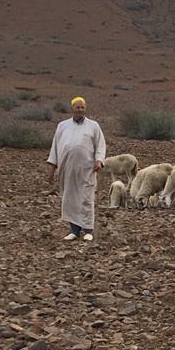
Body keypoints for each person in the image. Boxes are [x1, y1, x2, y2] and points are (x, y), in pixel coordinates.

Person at [47, 96, 106, 241]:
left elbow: (100, 145)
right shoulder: (62, 126)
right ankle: (73, 230)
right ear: (72, 109)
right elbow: (55, 148)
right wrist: (51, 170)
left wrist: (99, 161)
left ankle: (88, 231)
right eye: (77, 107)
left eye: (82, 107)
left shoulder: (93, 126)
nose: (80, 110)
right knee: (70, 199)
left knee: (86, 198)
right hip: (67, 169)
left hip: (87, 169)